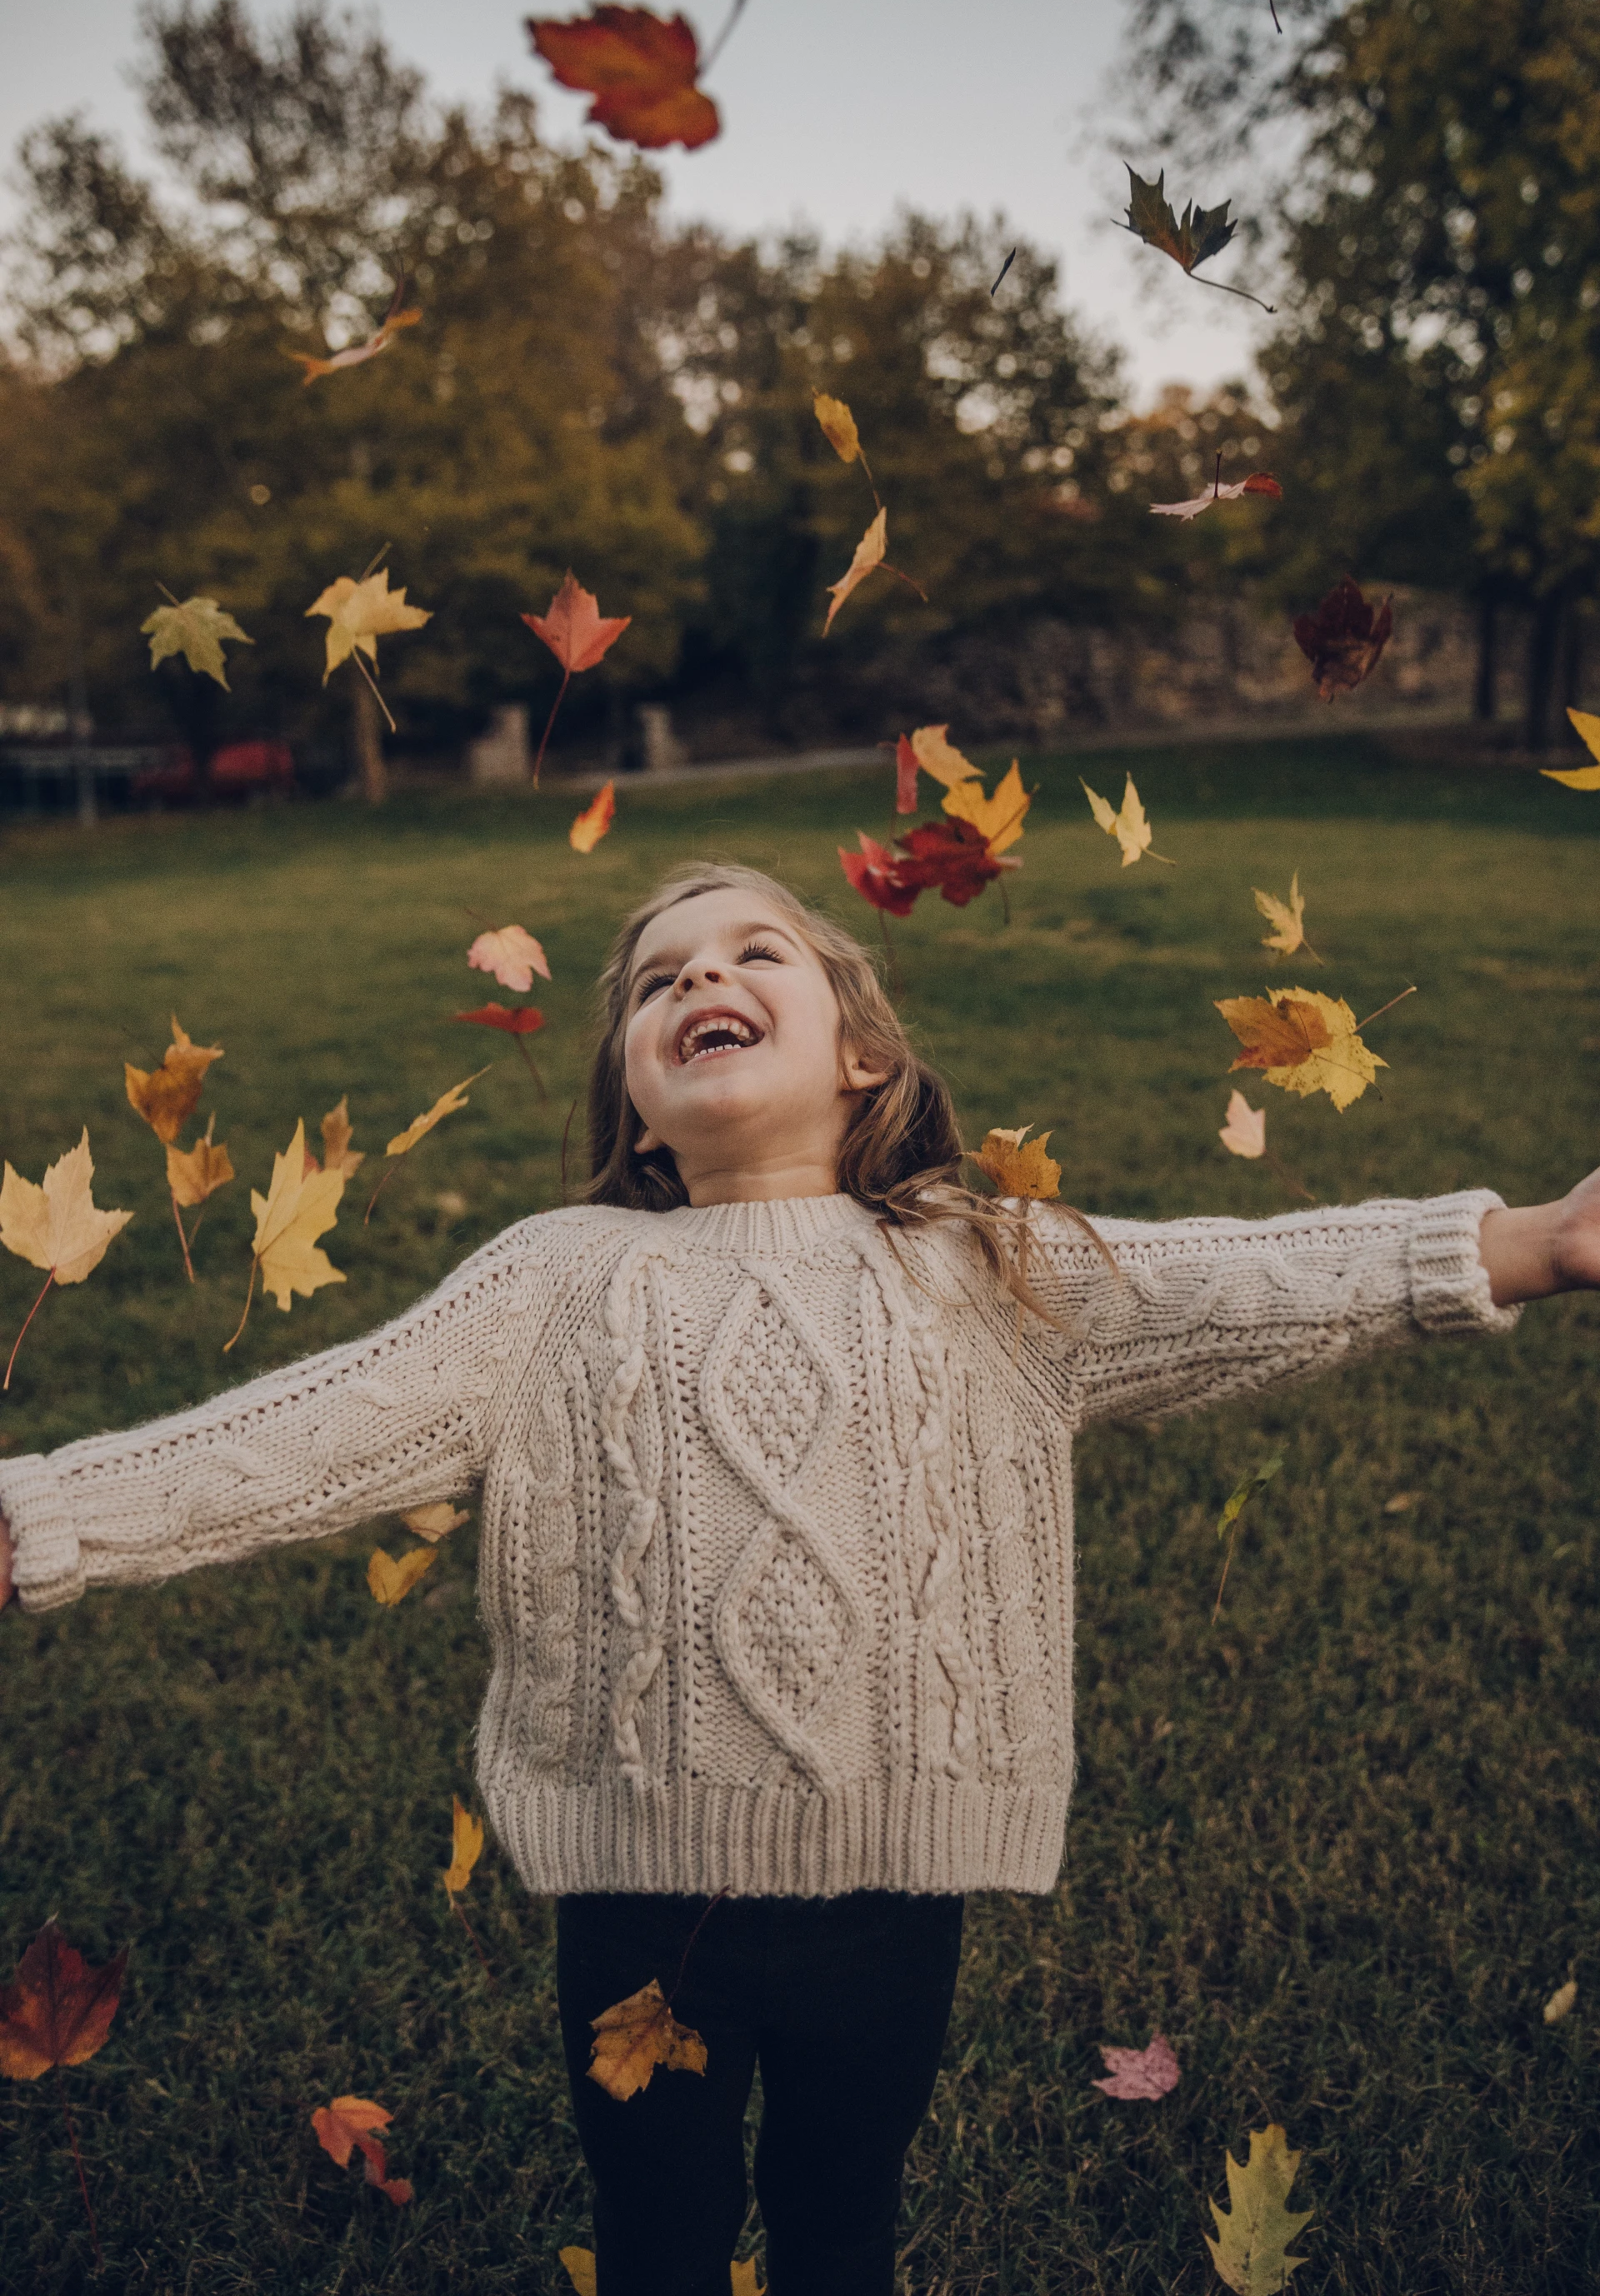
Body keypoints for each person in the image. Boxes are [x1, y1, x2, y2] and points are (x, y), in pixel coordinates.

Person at [1, 861, 1594, 2296]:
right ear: (631, 1099)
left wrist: (1524, 1244)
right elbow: (310, 1432)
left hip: (895, 1888)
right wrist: (48, 1512)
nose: (700, 979)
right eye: (656, 978)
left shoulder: (979, 1262)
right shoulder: (556, 1281)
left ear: (862, 1059)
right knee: (660, 2230)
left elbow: (1242, 1283)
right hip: (641, 1900)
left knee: (844, 2208)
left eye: (752, 950)